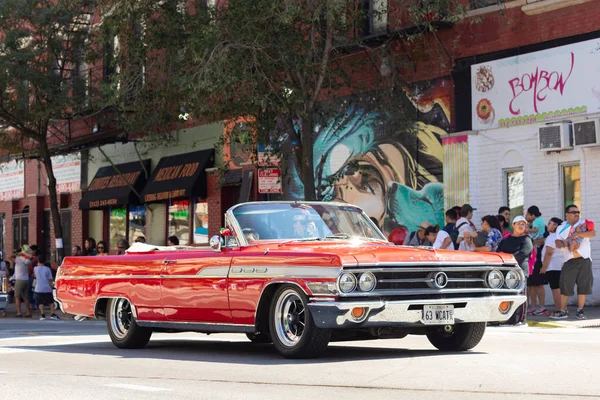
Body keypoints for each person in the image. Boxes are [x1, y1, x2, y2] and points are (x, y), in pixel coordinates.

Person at [551, 205, 595, 320]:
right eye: (573, 212)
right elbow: (557, 241)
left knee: (583, 286)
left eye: (578, 212)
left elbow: (593, 234)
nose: (576, 214)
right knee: (565, 285)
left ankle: (580, 310)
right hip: (569, 260)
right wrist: (563, 247)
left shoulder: (583, 224)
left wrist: (578, 234)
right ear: (567, 214)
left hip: (584, 259)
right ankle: (562, 310)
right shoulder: (561, 227)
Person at [497, 216, 533, 325]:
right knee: (508, 296)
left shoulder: (526, 239)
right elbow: (498, 252)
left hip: (520, 272)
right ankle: (508, 318)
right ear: (513, 225)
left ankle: (520, 320)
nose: (521, 226)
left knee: (519, 296)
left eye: (523, 224)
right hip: (506, 273)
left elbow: (523, 253)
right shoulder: (506, 239)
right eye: (519, 223)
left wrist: (507, 257)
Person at [540, 218, 564, 317]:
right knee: (560, 289)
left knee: (556, 289)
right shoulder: (560, 237)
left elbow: (549, 253)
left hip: (553, 267)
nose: (548, 225)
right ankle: (563, 309)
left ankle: (559, 310)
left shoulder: (552, 237)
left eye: (550, 223)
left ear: (555, 226)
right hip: (560, 266)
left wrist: (544, 267)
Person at [13, 246, 33, 318]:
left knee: (17, 297)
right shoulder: (27, 259)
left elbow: (9, 258)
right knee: (25, 297)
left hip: (19, 280)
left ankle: (19, 312)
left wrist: (16, 255)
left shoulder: (18, 259)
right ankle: (28, 312)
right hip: (26, 279)